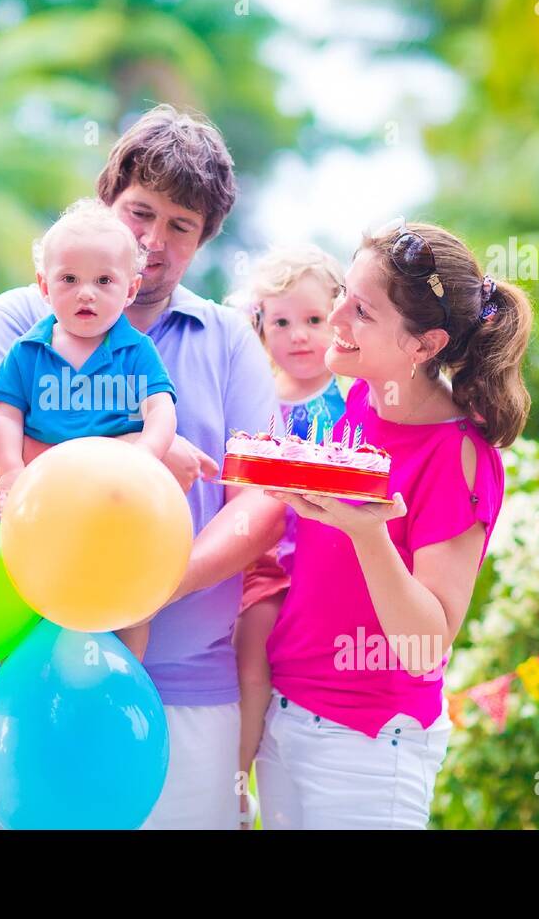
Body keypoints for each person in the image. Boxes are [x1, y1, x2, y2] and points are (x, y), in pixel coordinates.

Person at [0, 105, 284, 830]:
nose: (152, 241)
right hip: (17, 680)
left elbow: (263, 503)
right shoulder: (16, 321)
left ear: (204, 241)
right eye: (140, 211)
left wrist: (153, 584)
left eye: (180, 226)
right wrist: (136, 464)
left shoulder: (227, 339)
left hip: (185, 691)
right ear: (108, 199)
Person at [256, 219, 533, 829]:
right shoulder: (359, 400)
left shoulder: (459, 456)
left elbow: (425, 645)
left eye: (361, 311)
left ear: (424, 346)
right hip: (288, 713)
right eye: (342, 297)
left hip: (370, 746)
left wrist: (367, 532)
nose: (334, 319)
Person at [0, 198, 177, 657]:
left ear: (130, 289)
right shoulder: (28, 351)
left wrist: (145, 457)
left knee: (133, 599)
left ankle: (123, 670)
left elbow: (162, 408)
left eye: (104, 281)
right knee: (40, 588)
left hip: (119, 501)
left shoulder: (137, 351)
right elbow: (5, 414)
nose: (85, 293)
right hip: (46, 504)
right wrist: (10, 470)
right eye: (69, 279)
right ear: (44, 287)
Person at [224, 245, 347, 821]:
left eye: (314, 320)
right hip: (270, 560)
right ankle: (236, 780)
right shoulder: (259, 398)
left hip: (334, 562)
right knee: (252, 648)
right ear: (260, 326)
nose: (299, 336)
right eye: (281, 322)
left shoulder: (352, 398)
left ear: (339, 318)